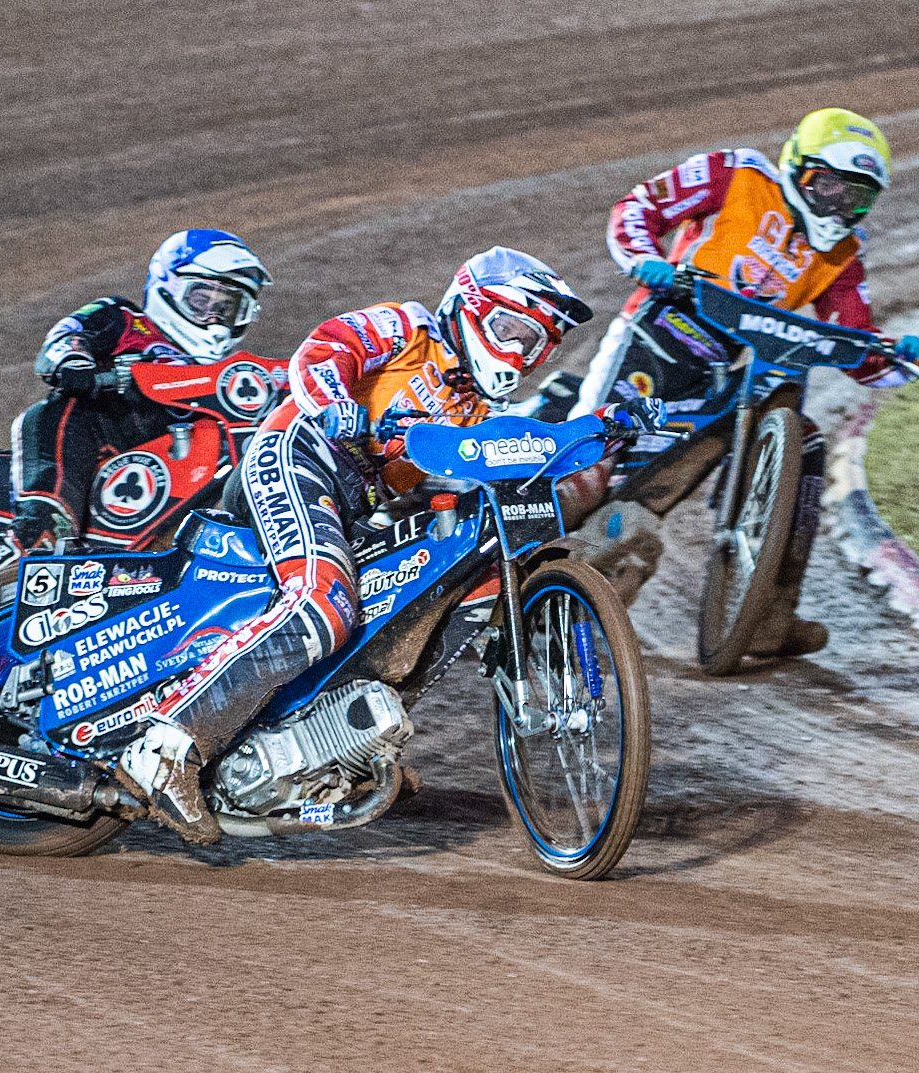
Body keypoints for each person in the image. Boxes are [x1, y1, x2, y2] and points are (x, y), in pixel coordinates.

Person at [114, 247, 621, 842]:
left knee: (431, 592)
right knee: (322, 605)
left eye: (535, 343)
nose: (519, 352)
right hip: (300, 456)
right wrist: (337, 404)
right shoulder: (409, 326)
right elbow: (327, 347)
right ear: (471, 310)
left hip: (357, 507)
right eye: (510, 329)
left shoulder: (478, 411)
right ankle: (166, 746)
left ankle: (333, 748)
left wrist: (611, 426)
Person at [567, 108, 919, 657]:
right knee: (589, 467)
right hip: (660, 332)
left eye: (855, 197)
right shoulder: (737, 174)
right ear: (797, 165)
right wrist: (645, 259)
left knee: (804, 446)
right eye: (829, 186)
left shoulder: (843, 254)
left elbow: (854, 338)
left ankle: (765, 616)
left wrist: (897, 356)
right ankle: (495, 570)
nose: (837, 206)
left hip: (739, 371)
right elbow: (639, 206)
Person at [9, 228, 273, 550]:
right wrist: (76, 361)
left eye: (226, 308)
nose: (212, 317)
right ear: (168, 288)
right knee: (64, 409)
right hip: (105, 439)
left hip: (175, 477)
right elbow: (69, 335)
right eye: (201, 299)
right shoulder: (125, 319)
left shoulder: (234, 376)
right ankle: (44, 519)